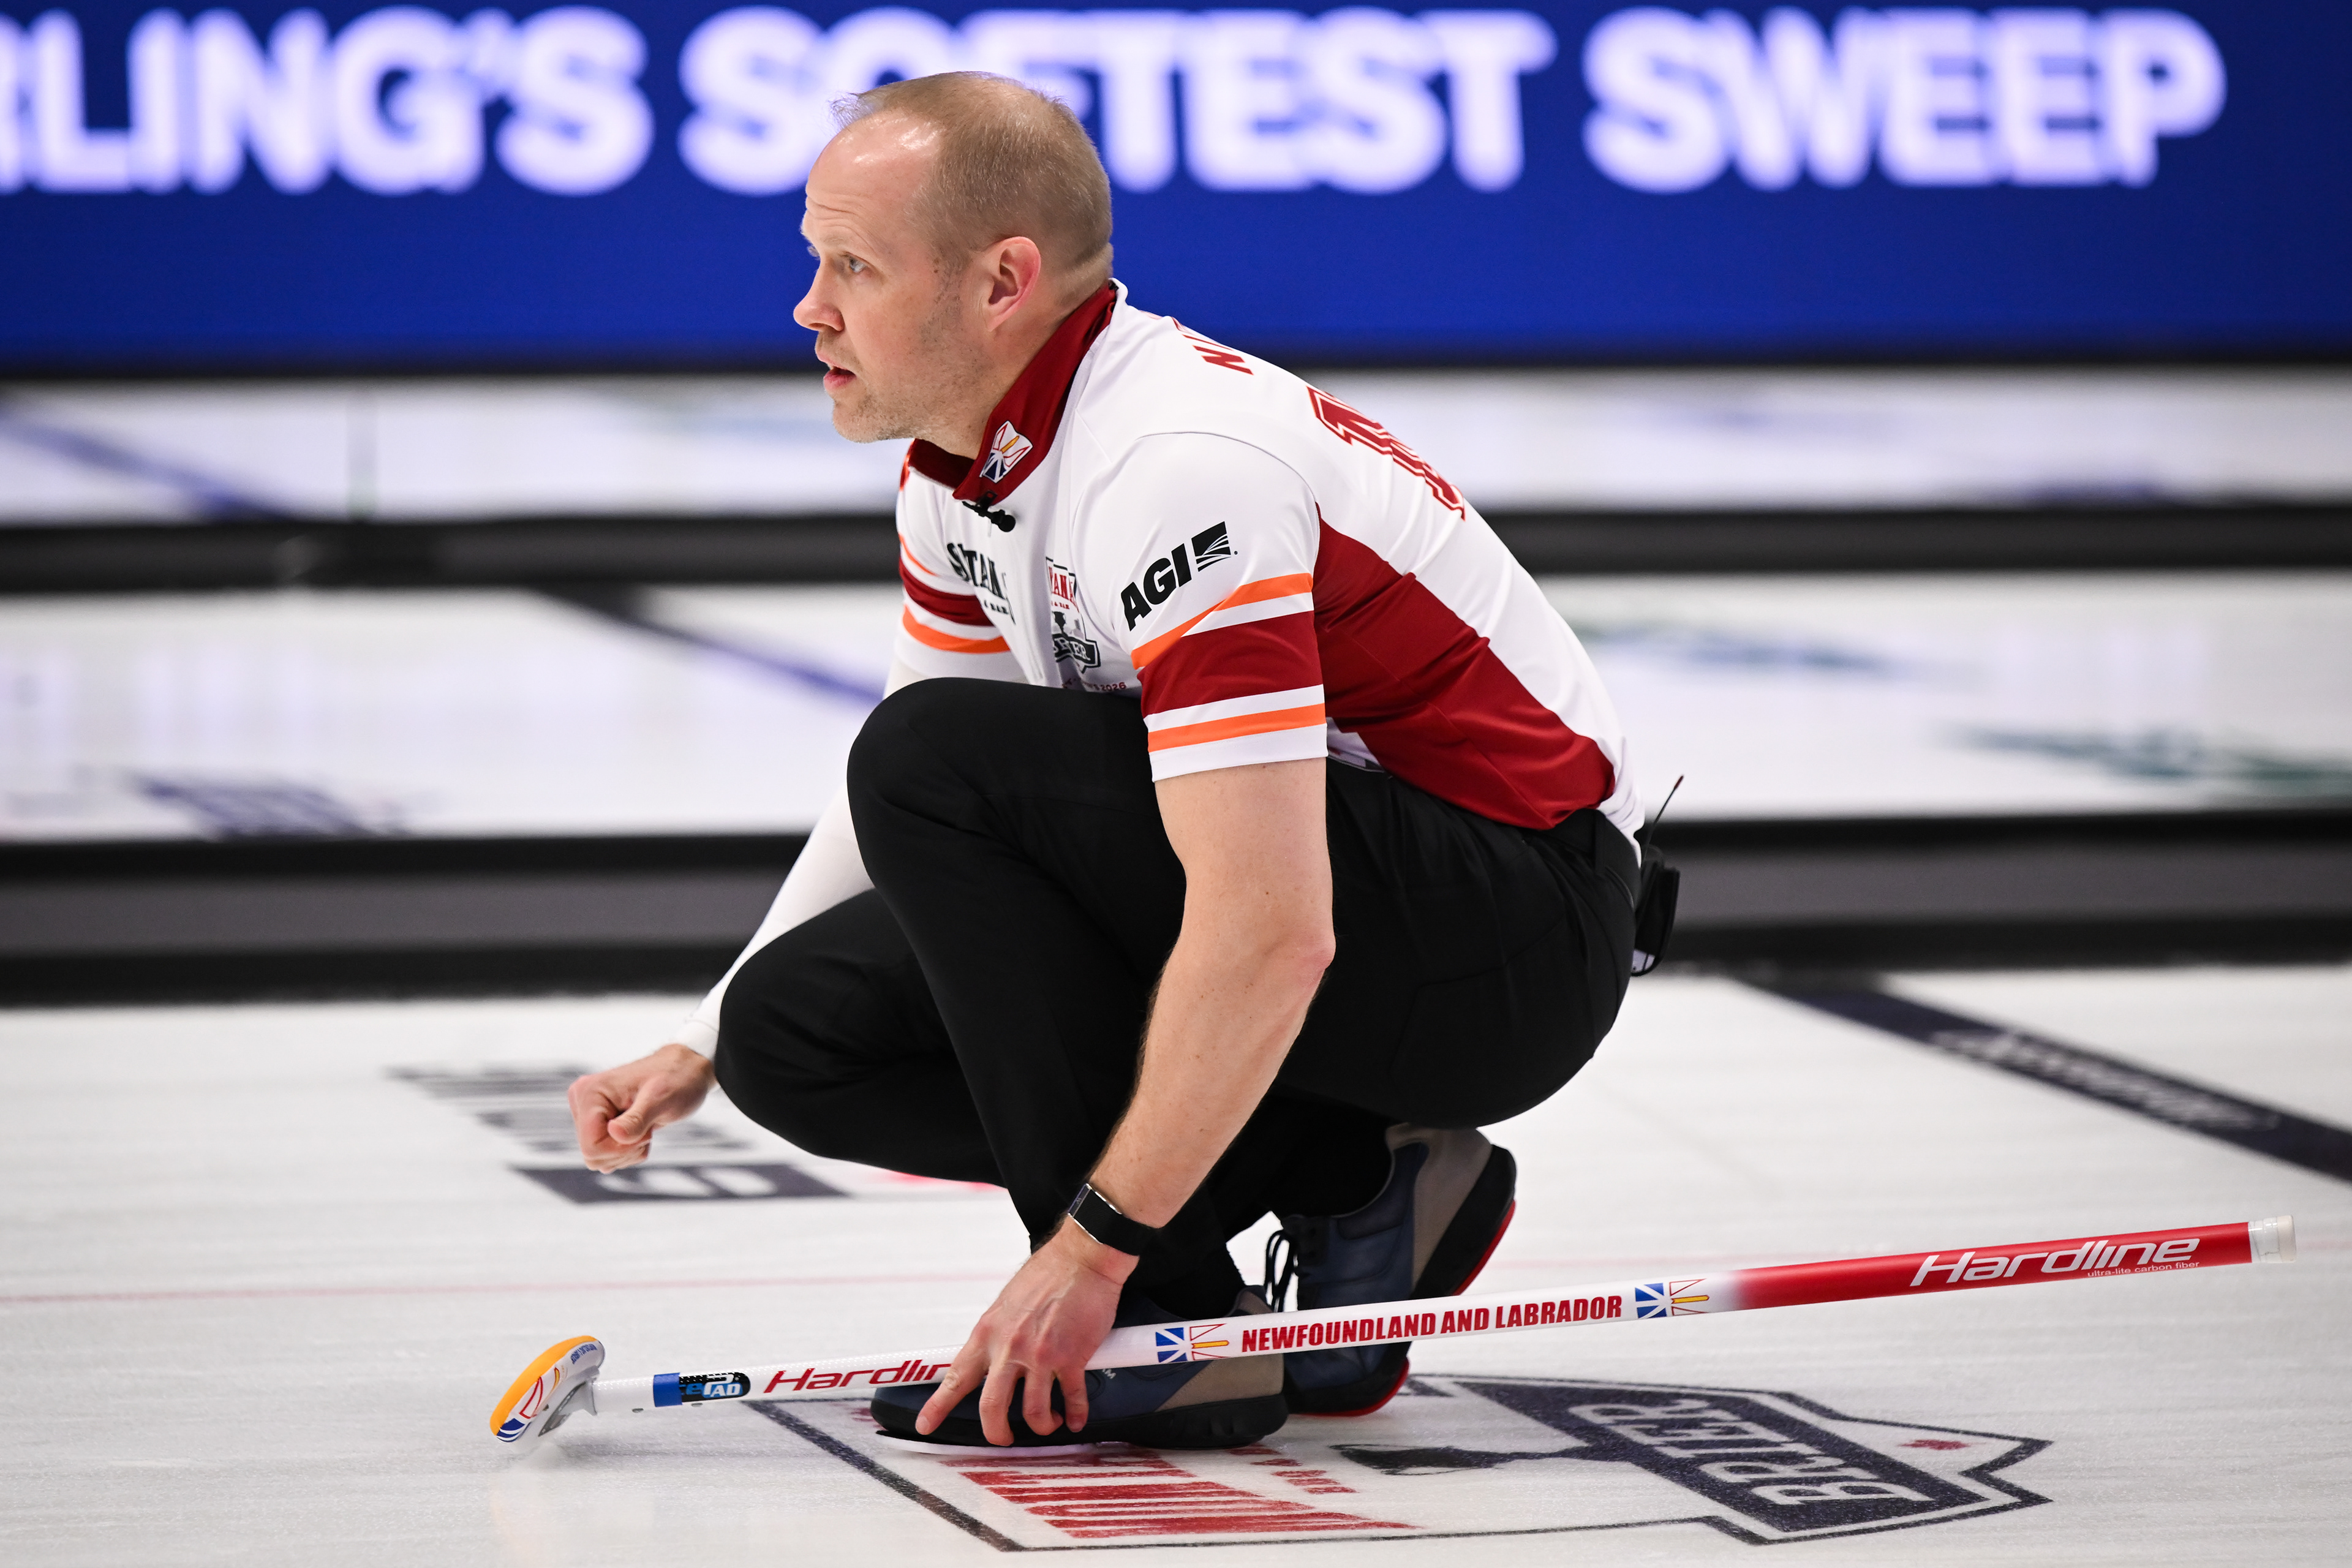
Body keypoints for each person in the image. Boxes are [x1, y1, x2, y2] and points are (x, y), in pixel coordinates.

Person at [567, 71, 1643, 1453]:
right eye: (815, 260)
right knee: (799, 1031)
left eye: (853, 265)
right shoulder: (967, 465)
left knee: (938, 760)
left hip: (1516, 935)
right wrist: (708, 1034)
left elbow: (1271, 927)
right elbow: (908, 802)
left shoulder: (1176, 466)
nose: (809, 307)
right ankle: (1358, 1180)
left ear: (1002, 281)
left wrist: (1088, 1257)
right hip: (1379, 903)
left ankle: (1163, 1327)